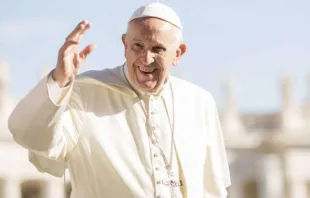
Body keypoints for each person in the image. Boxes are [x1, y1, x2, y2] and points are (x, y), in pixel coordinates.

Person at [8, 2, 231, 198]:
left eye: (158, 49)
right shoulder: (83, 93)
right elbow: (33, 138)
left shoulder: (200, 102)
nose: (146, 58)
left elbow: (213, 188)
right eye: (138, 46)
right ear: (124, 45)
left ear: (178, 53)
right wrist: (59, 81)